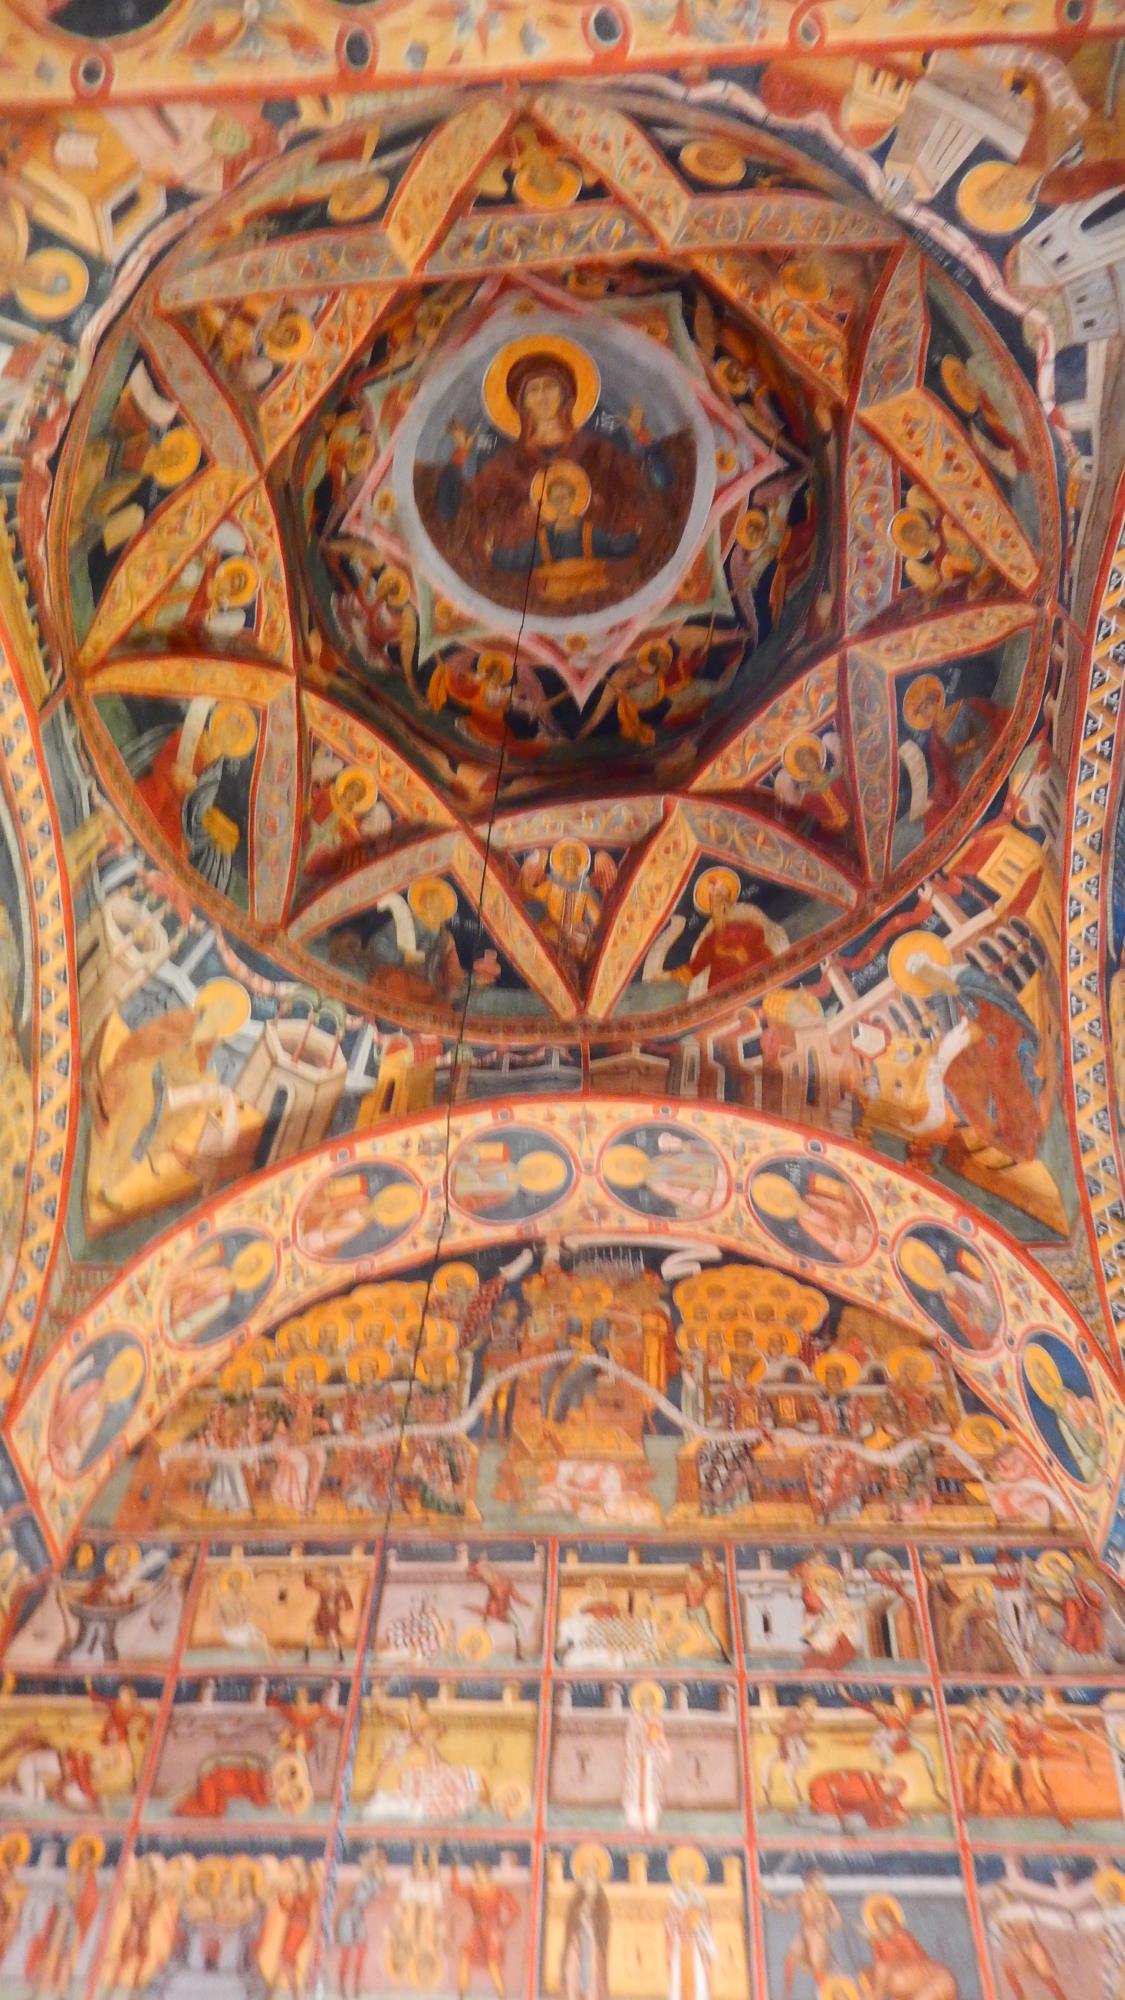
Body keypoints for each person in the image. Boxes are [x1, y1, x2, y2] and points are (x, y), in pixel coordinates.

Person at [419, 336, 687, 618]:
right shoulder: (504, 462)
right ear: (521, 403)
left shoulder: (599, 449)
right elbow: (452, 509)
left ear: (566, 394)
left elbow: (660, 484)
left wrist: (642, 437)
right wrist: (461, 454)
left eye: (550, 386)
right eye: (533, 390)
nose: (543, 396)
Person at [763, 1869, 842, 1998]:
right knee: (790, 1958)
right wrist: (769, 1899)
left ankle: (825, 1995)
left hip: (818, 1936)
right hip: (804, 1933)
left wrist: (827, 1927)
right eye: (818, 1880)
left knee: (819, 1968)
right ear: (809, 1881)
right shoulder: (800, 1896)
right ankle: (787, 1995)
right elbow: (784, 1907)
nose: (820, 1884)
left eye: (820, 1881)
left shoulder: (826, 1898)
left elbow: (838, 1919)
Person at [451, 1858, 519, 1999]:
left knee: (493, 1965)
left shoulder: (498, 1891)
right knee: (464, 1958)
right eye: (475, 1872)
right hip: (477, 1931)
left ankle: (502, 1997)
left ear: (487, 1874)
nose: (477, 1875)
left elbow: (515, 1910)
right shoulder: (472, 1890)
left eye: (480, 1872)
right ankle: (461, 1997)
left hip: (493, 1932)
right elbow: (456, 1889)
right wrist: (454, 1871)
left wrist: (503, 1928)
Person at [561, 1851, 610, 2000]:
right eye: (587, 1869)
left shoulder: (601, 1898)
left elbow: (604, 1920)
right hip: (577, 1942)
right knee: (572, 1970)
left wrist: (592, 1920)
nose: (590, 1873)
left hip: (593, 1943)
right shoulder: (577, 1897)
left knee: (593, 1976)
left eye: (592, 1869)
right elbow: (570, 1919)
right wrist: (580, 1914)